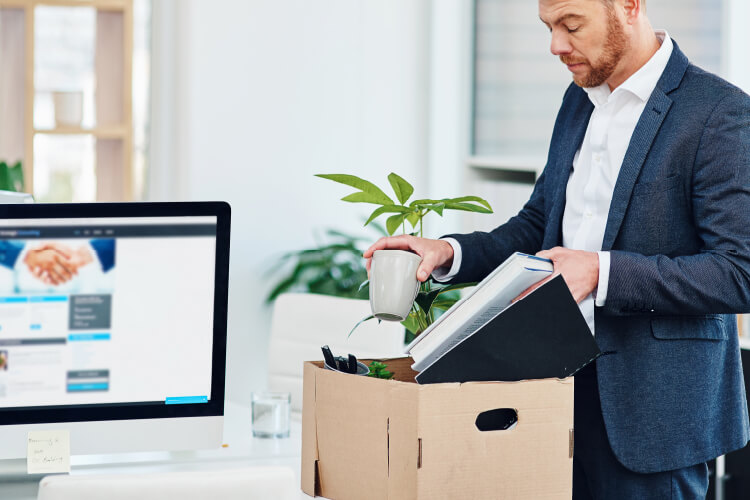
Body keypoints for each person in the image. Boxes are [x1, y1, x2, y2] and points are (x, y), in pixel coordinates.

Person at [364, 0, 750, 497]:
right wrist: (447, 252)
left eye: (571, 25)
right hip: (551, 391)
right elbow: (538, 226)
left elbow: (739, 271)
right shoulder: (578, 101)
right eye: (549, 27)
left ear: (630, 6)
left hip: (650, 414)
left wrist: (601, 273)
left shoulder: (719, 113)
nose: (556, 46)